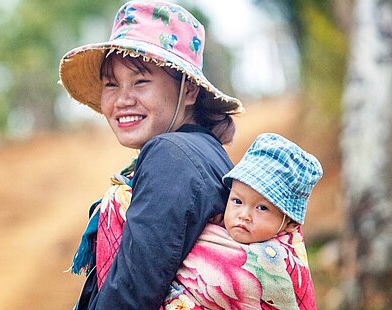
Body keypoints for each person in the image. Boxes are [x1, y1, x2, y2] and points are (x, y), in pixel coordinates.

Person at [59, 0, 243, 309]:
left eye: (141, 81)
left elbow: (129, 296)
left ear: (189, 90)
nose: (123, 100)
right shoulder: (205, 152)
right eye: (111, 84)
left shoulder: (171, 155)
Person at [164, 133, 323, 309]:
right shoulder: (210, 227)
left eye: (262, 208)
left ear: (289, 221)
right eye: (237, 201)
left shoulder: (278, 263)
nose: (244, 215)